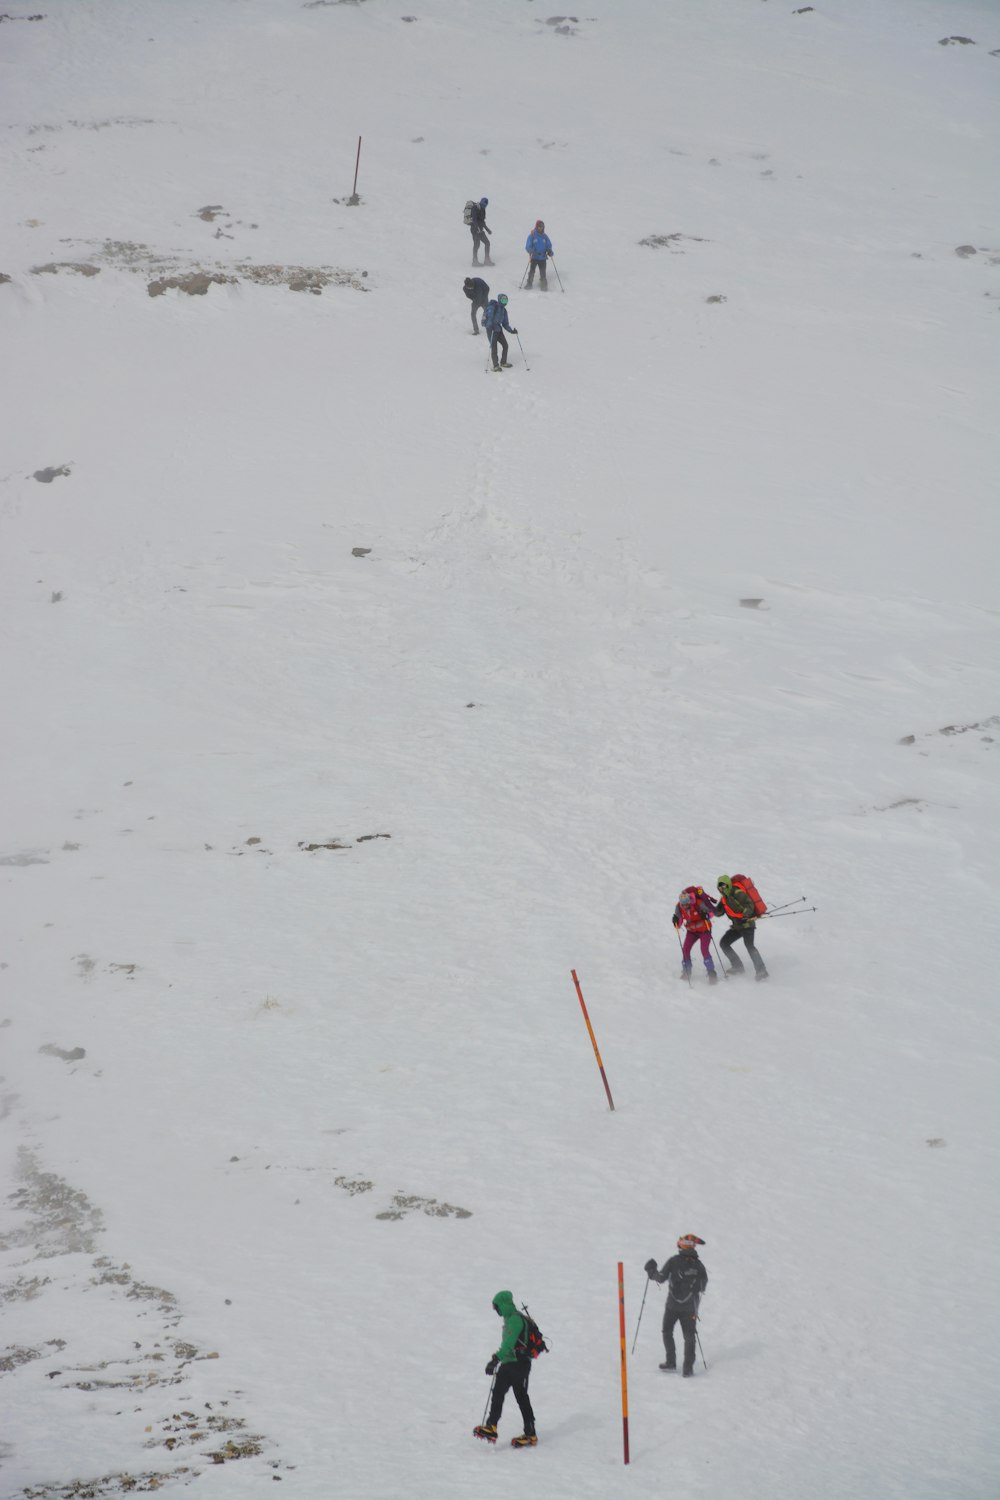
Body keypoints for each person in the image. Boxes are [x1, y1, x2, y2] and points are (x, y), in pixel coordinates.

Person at [473, 1290, 538, 1447]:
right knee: (498, 1393)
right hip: (509, 1363)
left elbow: (508, 1344)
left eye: (497, 1308)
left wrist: (495, 1359)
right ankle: (491, 1426)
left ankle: (530, 1433)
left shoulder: (515, 1320)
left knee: (520, 1396)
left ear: (503, 1305)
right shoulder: (509, 1320)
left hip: (520, 1364)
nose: (496, 1311)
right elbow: (507, 1345)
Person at [643, 1235, 708, 1377]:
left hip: (672, 1306)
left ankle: (671, 1362)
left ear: (682, 1246)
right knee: (689, 1336)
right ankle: (688, 1369)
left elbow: (660, 1277)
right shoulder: (699, 1265)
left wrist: (651, 1271)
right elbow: (703, 1286)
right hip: (690, 1308)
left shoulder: (673, 1261)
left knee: (667, 1331)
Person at [716, 875, 768, 980]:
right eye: (720, 887)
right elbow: (718, 912)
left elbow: (750, 905)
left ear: (728, 884)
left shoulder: (737, 893)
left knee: (749, 946)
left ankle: (762, 971)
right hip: (737, 926)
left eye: (724, 886)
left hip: (747, 924)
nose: (722, 889)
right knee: (724, 943)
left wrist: (745, 915)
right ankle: (737, 966)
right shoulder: (724, 898)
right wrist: (710, 911)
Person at [672, 885, 718, 984]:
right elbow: (678, 925)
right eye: (683, 904)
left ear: (689, 901)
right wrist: (675, 921)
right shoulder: (678, 907)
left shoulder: (698, 903)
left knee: (704, 950)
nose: (685, 906)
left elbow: (711, 913)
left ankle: (712, 973)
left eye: (686, 904)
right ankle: (686, 972)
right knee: (685, 949)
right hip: (691, 931)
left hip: (704, 930)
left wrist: (706, 915)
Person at [482, 293, 517, 371]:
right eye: (503, 300)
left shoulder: (504, 310)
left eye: (506, 300)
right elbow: (490, 317)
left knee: (505, 345)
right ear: (499, 299)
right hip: (491, 330)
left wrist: (511, 331)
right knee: (494, 348)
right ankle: (495, 366)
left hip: (498, 329)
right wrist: (491, 325)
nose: (504, 301)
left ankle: (503, 362)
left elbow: (505, 323)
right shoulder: (493, 306)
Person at [524, 219, 553, 289]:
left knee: (543, 272)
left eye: (542, 227)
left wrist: (549, 251)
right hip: (534, 257)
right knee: (532, 271)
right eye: (539, 226)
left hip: (542, 257)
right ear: (536, 227)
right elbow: (527, 246)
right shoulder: (532, 235)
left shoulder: (545, 237)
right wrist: (531, 250)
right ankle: (529, 283)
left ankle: (543, 285)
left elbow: (548, 245)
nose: (540, 228)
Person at [470, 197, 493, 266]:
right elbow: (474, 220)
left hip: (480, 230)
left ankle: (487, 260)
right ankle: (475, 261)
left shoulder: (483, 210)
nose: (484, 206)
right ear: (481, 202)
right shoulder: (475, 208)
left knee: (487, 243)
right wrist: (477, 228)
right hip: (474, 229)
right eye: (483, 204)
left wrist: (487, 229)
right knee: (477, 244)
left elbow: (482, 221)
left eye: (485, 205)